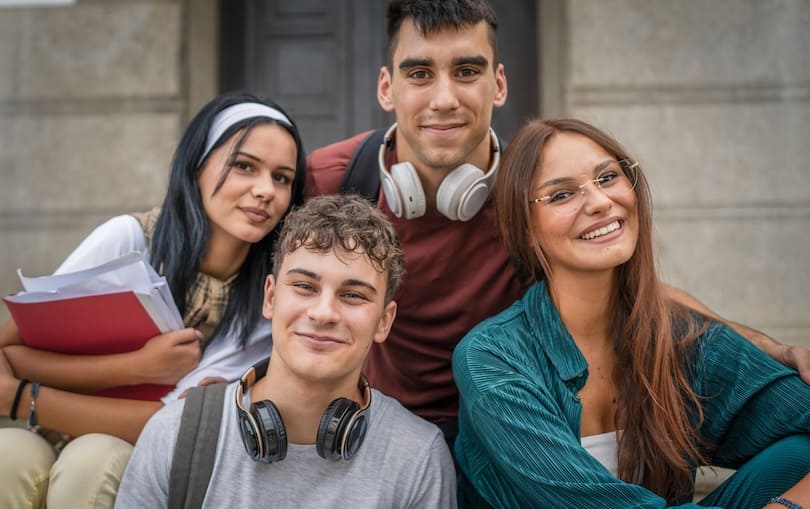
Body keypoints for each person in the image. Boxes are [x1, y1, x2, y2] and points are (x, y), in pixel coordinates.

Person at [306, 0, 810, 450]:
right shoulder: (334, 178)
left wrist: (772, 349)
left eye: (466, 71)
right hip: (377, 432)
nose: (444, 99)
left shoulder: (535, 195)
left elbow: (635, 290)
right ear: (386, 87)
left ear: (498, 84)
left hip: (509, 428)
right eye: (419, 74)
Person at [452, 117, 810, 508]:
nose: (601, 202)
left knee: (798, 454)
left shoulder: (677, 336)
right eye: (561, 195)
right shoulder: (491, 359)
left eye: (607, 178)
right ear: (525, 229)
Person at [0, 91, 307, 508]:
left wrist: (22, 396)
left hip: (143, 458)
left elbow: (163, 425)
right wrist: (138, 367)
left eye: (282, 178)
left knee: (94, 461)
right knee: (9, 458)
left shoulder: (267, 303)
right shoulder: (129, 240)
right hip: (38, 431)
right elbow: (11, 349)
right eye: (244, 166)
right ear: (196, 166)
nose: (264, 190)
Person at [115, 194, 457, 508]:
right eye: (305, 286)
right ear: (271, 298)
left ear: (384, 321)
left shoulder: (417, 457)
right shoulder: (174, 435)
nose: (323, 313)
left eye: (353, 295)